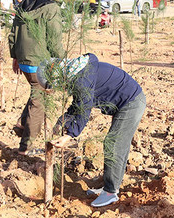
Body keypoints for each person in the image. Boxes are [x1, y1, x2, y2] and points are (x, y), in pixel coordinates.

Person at [42, 53, 146, 207]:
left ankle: (111, 192)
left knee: (114, 143)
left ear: (58, 77)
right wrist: (62, 121)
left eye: (54, 85)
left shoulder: (81, 79)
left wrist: (69, 135)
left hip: (131, 102)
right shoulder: (77, 72)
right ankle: (110, 186)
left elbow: (84, 109)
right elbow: (77, 105)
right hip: (125, 102)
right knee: (118, 144)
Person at [8, 0, 68, 153]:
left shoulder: (26, 2)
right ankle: (27, 146)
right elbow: (54, 40)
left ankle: (21, 124)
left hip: (24, 58)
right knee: (39, 101)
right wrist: (64, 63)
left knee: (36, 91)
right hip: (39, 60)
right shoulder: (52, 8)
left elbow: (13, 32)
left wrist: (15, 56)